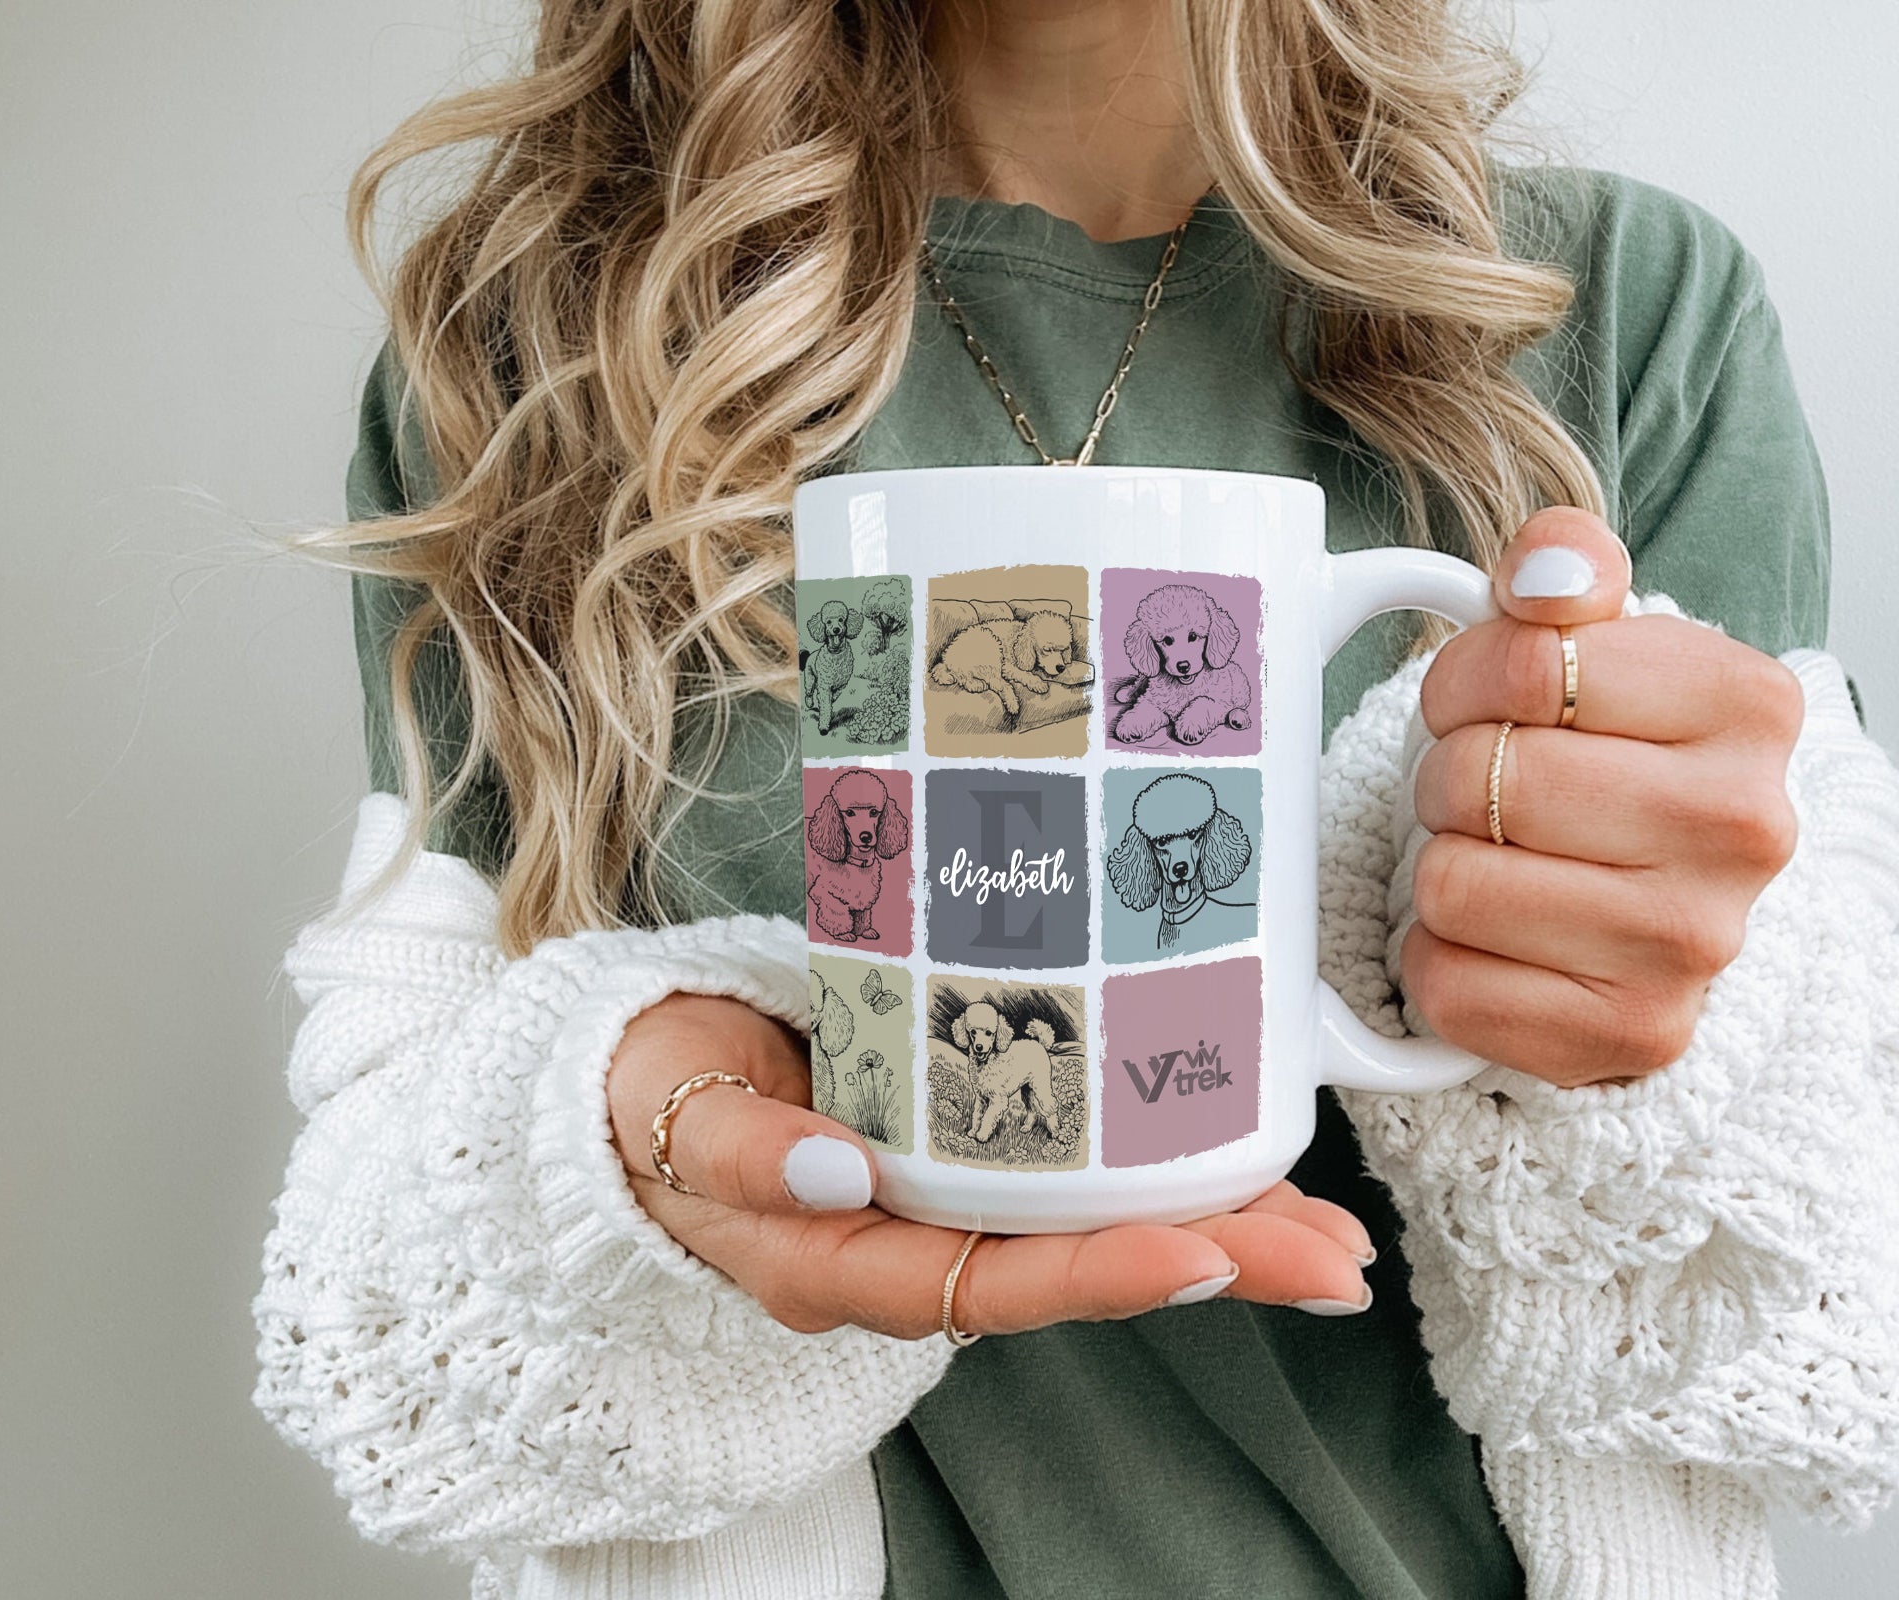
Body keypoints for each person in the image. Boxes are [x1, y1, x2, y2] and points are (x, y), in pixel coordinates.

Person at [250, 1, 1899, 1595]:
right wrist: (602, 1165)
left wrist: (1663, 1016)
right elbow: (381, 1271)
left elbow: (1823, 1277)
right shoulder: (534, 350)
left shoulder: (1611, 311)